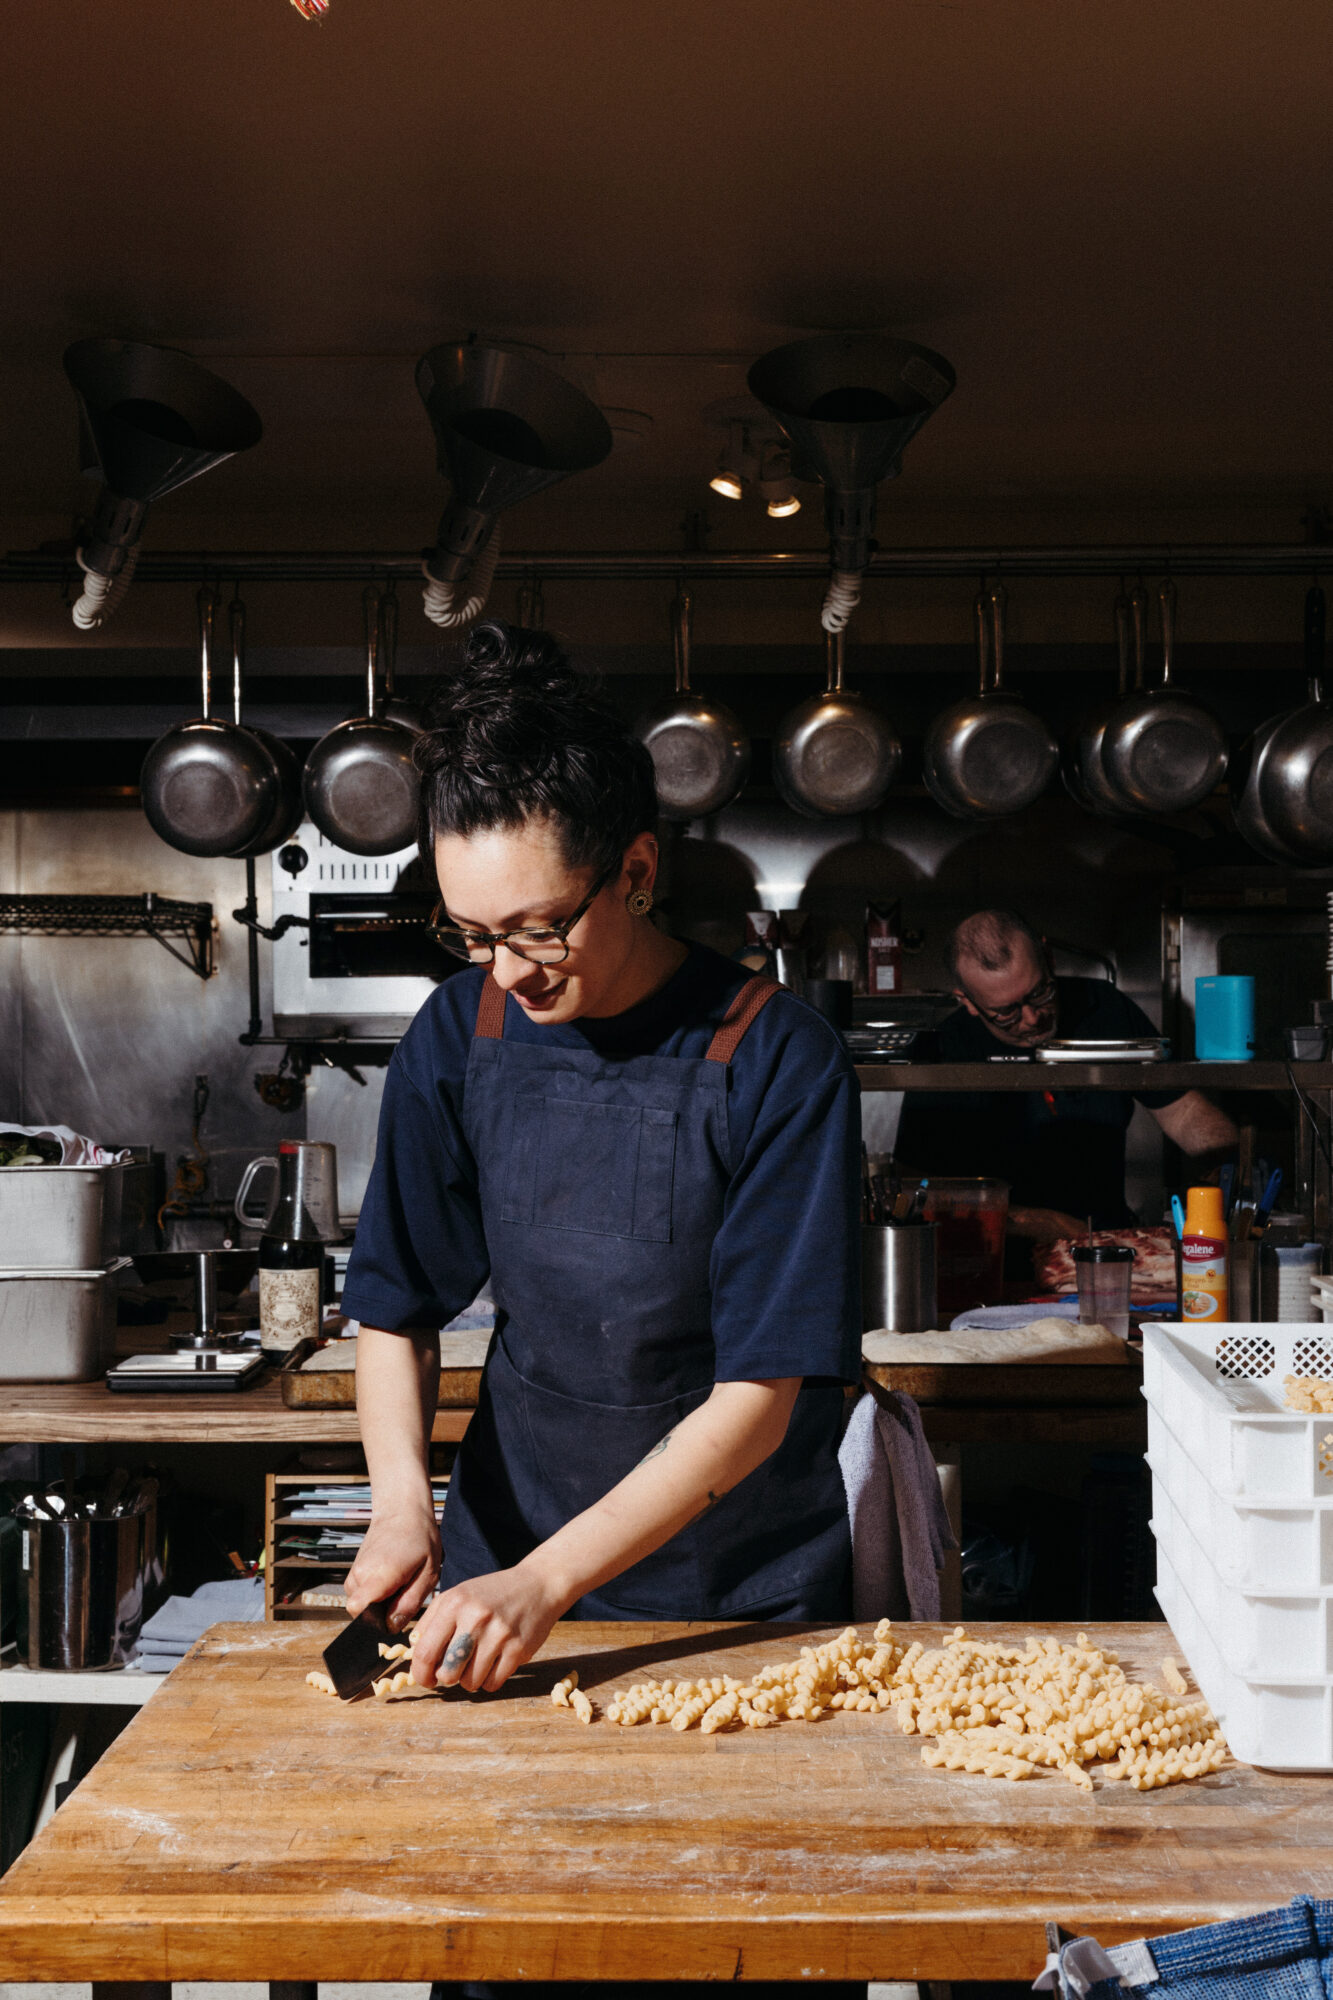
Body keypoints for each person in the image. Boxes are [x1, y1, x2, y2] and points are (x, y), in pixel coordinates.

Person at [340, 622, 860, 1696]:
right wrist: (403, 1508)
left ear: (633, 869)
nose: (508, 971)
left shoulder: (772, 1053)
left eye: (537, 929)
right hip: (499, 1574)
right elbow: (395, 1307)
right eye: (471, 934)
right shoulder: (460, 1029)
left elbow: (761, 1391)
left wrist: (550, 1580)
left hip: (732, 1597)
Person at [895, 908, 1236, 1244]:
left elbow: (1181, 1110)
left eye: (1039, 993)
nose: (1031, 1018)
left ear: (1048, 958)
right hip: (994, 1256)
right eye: (1005, 1012)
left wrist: (1228, 1166)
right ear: (968, 1002)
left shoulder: (1105, 1008)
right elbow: (914, 1186)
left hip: (1105, 1245)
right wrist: (1029, 1220)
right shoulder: (945, 1047)